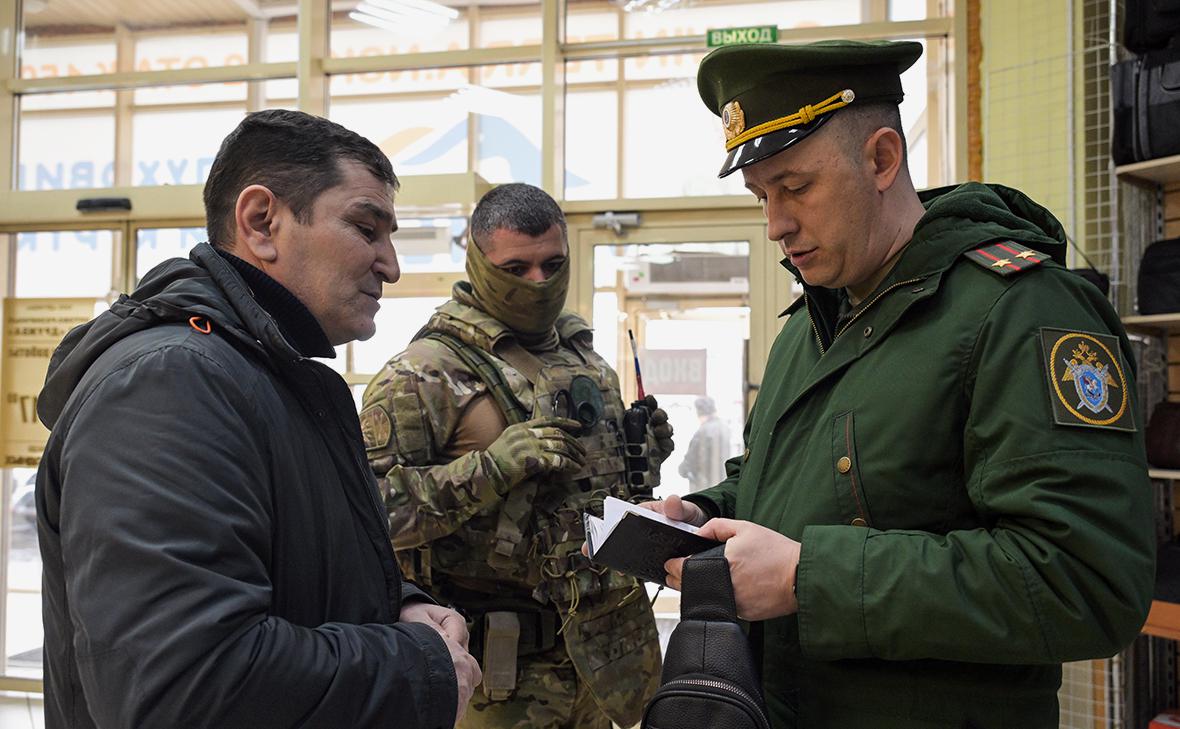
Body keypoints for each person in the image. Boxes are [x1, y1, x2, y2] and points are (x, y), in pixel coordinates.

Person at [644, 40, 1156, 728]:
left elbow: (1088, 582)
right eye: (761, 195)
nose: (775, 224)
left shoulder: (1020, 311)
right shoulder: (812, 322)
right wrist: (702, 519)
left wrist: (807, 578)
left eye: (795, 187)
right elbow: (783, 481)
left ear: (882, 158)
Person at [35, 109, 481, 729]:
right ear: (261, 222)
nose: (391, 265)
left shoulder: (266, 377)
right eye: (365, 228)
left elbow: (285, 571)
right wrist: (417, 668)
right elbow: (185, 688)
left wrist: (396, 608)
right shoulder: (170, 384)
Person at [361, 183, 672, 729]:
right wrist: (492, 467)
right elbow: (369, 516)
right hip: (495, 673)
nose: (539, 283)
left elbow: (598, 496)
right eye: (517, 268)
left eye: (553, 265)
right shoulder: (424, 373)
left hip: (601, 654)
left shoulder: (587, 359)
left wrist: (642, 452)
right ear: (478, 263)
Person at [678, 395, 732, 492]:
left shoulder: (703, 431)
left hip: (703, 486)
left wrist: (682, 470)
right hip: (721, 483)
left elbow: (690, 461)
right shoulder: (724, 428)